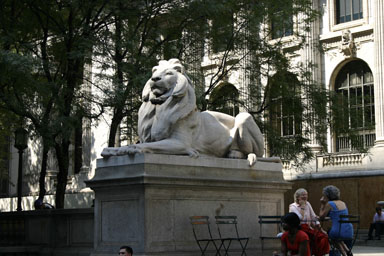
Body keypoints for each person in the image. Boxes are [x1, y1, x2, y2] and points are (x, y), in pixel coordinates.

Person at [289, 188, 329, 256]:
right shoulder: (293, 206)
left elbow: (313, 217)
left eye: (306, 195)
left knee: (323, 237)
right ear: (298, 197)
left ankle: (319, 254)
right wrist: (302, 207)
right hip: (299, 229)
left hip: (308, 228)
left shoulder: (308, 204)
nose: (305, 197)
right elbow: (299, 219)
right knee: (308, 239)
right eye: (303, 195)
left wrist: (321, 229)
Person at [319, 185, 353, 256]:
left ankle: (344, 253)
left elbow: (321, 217)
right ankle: (347, 251)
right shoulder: (343, 203)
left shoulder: (330, 204)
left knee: (331, 235)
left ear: (328, 195)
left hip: (338, 230)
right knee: (337, 238)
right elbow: (337, 215)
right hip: (349, 229)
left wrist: (322, 204)